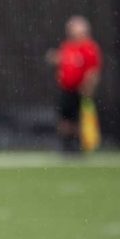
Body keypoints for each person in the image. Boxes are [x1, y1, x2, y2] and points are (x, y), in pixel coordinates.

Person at [45, 15, 101, 154]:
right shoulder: (68, 46)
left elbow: (93, 70)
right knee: (65, 118)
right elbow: (64, 61)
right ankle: (66, 145)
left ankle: (78, 145)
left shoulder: (89, 48)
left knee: (78, 119)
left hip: (80, 90)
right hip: (66, 89)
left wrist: (88, 86)